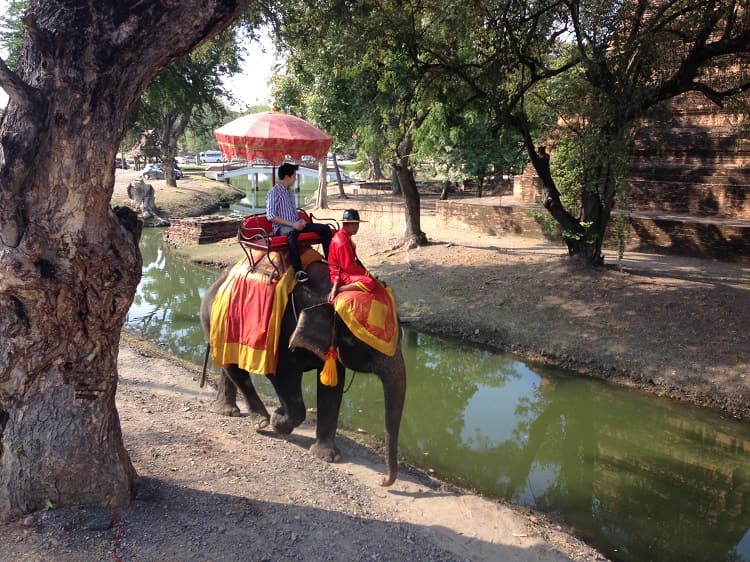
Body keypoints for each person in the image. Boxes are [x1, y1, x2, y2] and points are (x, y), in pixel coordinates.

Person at [266, 163, 331, 283]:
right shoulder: (274, 192)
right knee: (293, 233)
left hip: (295, 224)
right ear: (287, 176)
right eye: (294, 176)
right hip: (282, 228)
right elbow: (271, 216)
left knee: (325, 229)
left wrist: (299, 221)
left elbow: (292, 213)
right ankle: (298, 270)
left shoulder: (289, 192)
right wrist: (293, 224)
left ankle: (330, 260)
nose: (295, 178)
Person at [327, 209, 379, 303]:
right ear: (347, 224)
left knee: (369, 278)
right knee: (369, 282)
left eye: (357, 224)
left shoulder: (344, 236)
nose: (357, 227)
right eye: (355, 224)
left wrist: (365, 273)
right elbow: (348, 267)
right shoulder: (341, 242)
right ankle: (340, 289)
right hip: (340, 274)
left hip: (345, 271)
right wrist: (366, 274)